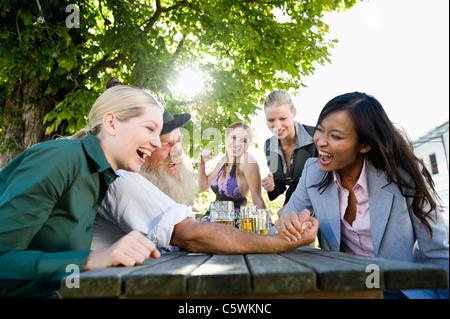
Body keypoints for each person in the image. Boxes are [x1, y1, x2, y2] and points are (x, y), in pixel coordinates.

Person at [275, 92, 449, 299]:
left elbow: (437, 253)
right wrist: (288, 226)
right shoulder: (313, 172)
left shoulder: (404, 175)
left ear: (365, 145)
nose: (321, 142)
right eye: (320, 130)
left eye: (336, 136)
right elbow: (277, 233)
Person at [0, 85, 164, 298]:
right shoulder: (62, 158)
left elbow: (65, 278)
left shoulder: (99, 178)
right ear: (111, 124)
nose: (157, 143)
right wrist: (92, 259)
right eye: (150, 129)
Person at [92, 115, 318, 255]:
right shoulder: (121, 178)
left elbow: (257, 199)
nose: (178, 152)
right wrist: (276, 242)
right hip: (211, 229)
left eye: (179, 141)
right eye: (164, 144)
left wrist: (270, 232)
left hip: (235, 226)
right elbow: (200, 195)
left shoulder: (248, 162)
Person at [198, 122, 267, 226]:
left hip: (231, 226)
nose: (237, 143)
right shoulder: (223, 161)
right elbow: (203, 186)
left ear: (247, 146)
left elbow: (257, 199)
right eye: (233, 137)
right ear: (226, 138)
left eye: (243, 140)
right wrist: (201, 163)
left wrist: (266, 234)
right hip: (211, 221)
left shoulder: (246, 160)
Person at [261, 89, 317, 207]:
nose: (277, 126)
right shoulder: (269, 145)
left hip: (319, 202)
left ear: (294, 113)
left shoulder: (316, 137)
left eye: (283, 119)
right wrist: (271, 186)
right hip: (292, 204)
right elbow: (280, 184)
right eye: (271, 120)